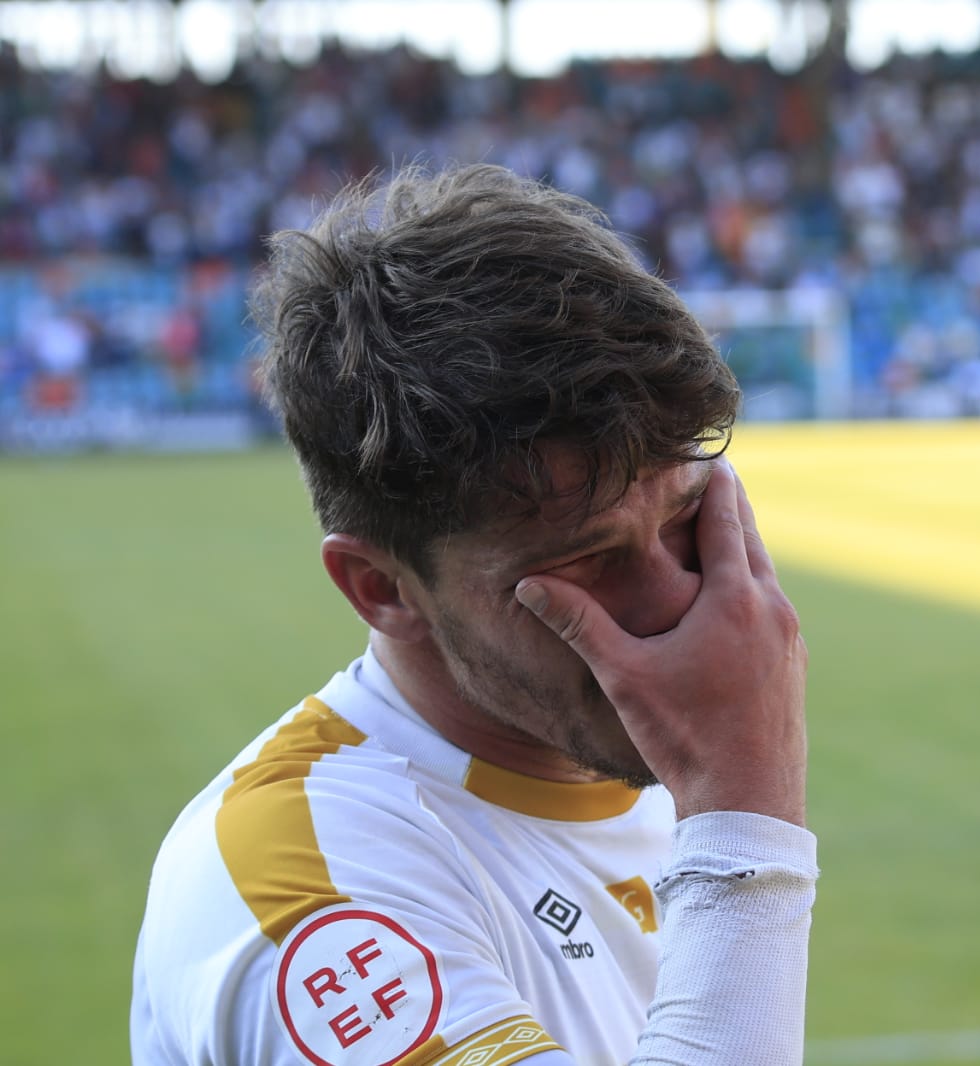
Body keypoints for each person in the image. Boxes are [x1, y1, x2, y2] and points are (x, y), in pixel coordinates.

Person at [130, 165, 818, 1065]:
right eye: (589, 559)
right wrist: (744, 820)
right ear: (381, 588)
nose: (678, 602)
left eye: (688, 514)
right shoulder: (302, 889)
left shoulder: (610, 759)